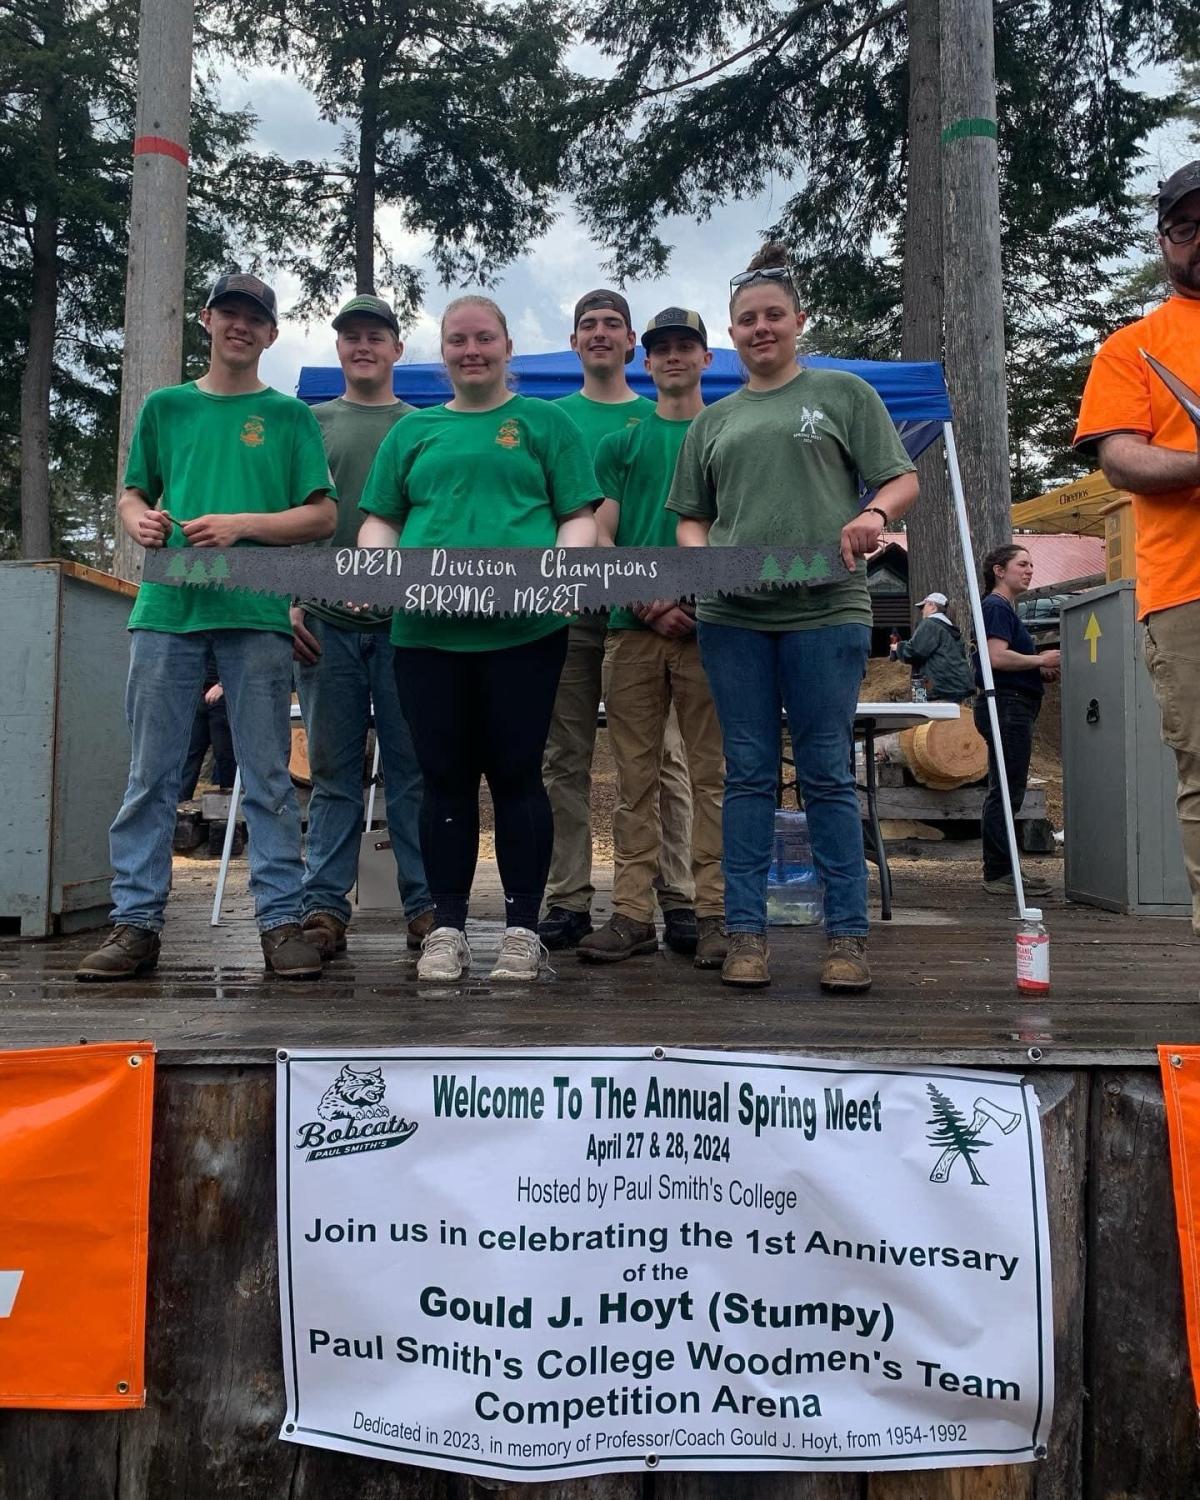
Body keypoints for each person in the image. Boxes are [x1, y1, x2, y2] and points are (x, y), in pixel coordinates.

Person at [667, 243, 919, 992]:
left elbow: (900, 480)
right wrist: (703, 563)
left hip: (828, 610)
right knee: (744, 775)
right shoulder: (710, 423)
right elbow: (690, 519)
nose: (761, 328)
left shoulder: (843, 393)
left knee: (827, 774)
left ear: (799, 321)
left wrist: (873, 515)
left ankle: (847, 939)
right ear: (732, 334)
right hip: (732, 617)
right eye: (747, 319)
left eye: (774, 314)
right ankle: (745, 935)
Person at [76, 272, 337, 982]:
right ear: (207, 319)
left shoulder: (288, 416)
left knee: (268, 779)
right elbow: (132, 494)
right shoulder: (166, 406)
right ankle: (136, 925)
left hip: (256, 613)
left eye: (255, 317)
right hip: (168, 608)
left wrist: (243, 525)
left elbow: (322, 515)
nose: (241, 326)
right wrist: (139, 521)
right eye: (230, 313)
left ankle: (280, 923)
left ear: (271, 333)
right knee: (152, 775)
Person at [357, 295, 599, 982]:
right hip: (426, 634)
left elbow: (576, 515)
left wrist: (563, 567)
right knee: (443, 781)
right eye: (458, 340)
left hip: (526, 631)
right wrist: (376, 564)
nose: (472, 350)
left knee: (520, 775)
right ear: (442, 351)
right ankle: (448, 927)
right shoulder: (412, 432)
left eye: (484, 338)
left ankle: (523, 928)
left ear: (508, 346)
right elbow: (381, 520)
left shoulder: (544, 423)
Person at [539, 289, 696, 954]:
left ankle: (677, 896)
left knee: (664, 759)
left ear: (633, 343)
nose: (599, 334)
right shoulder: (549, 419)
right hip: (575, 612)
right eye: (587, 326)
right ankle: (568, 897)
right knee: (562, 759)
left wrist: (659, 595)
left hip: (660, 620)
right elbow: (547, 516)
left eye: (612, 325)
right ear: (573, 342)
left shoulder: (663, 414)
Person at [1074, 160, 1200, 938]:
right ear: (1163, 242)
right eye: (1186, 230)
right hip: (1188, 592)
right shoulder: (1134, 346)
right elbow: (1122, 458)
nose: (1199, 243)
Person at [579, 308, 727, 969]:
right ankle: (633, 912)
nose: (673, 357)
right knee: (634, 780)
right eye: (662, 347)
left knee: (711, 779)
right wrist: (641, 596)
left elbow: (737, 528)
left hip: (712, 628)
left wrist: (692, 597)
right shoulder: (623, 442)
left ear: (706, 358)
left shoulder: (728, 432)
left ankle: (713, 912)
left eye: (685, 346)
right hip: (629, 629)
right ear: (647, 360)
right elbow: (599, 531)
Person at [290, 294, 434, 960]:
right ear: (339, 347)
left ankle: (425, 906)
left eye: (376, 335)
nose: (363, 346)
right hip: (323, 625)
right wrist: (285, 603)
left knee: (413, 772)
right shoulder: (307, 423)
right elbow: (283, 520)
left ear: (397, 349)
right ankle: (323, 910)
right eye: (351, 337)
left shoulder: (425, 427)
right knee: (333, 773)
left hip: (406, 626)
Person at [972, 545, 1060, 898]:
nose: (1029, 570)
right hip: (1007, 706)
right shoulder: (995, 606)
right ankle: (999, 873)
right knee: (1006, 791)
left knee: (1006, 789)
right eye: (1021, 564)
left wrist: (1038, 672)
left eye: (1032, 564)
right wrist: (1039, 662)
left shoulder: (1004, 609)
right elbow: (995, 657)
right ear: (999, 570)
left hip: (1011, 703)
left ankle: (1006, 869)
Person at [897, 592, 975, 703]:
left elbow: (914, 652)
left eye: (924, 606)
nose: (922, 611)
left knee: (931, 718)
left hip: (939, 689)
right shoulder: (949, 628)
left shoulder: (930, 624)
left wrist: (898, 648)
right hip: (952, 688)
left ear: (933, 606)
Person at [178, 658, 237, 798]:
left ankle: (229, 809)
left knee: (225, 756)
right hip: (198, 693)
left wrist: (223, 685)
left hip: (223, 697)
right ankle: (179, 808)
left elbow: (240, 657)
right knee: (189, 756)